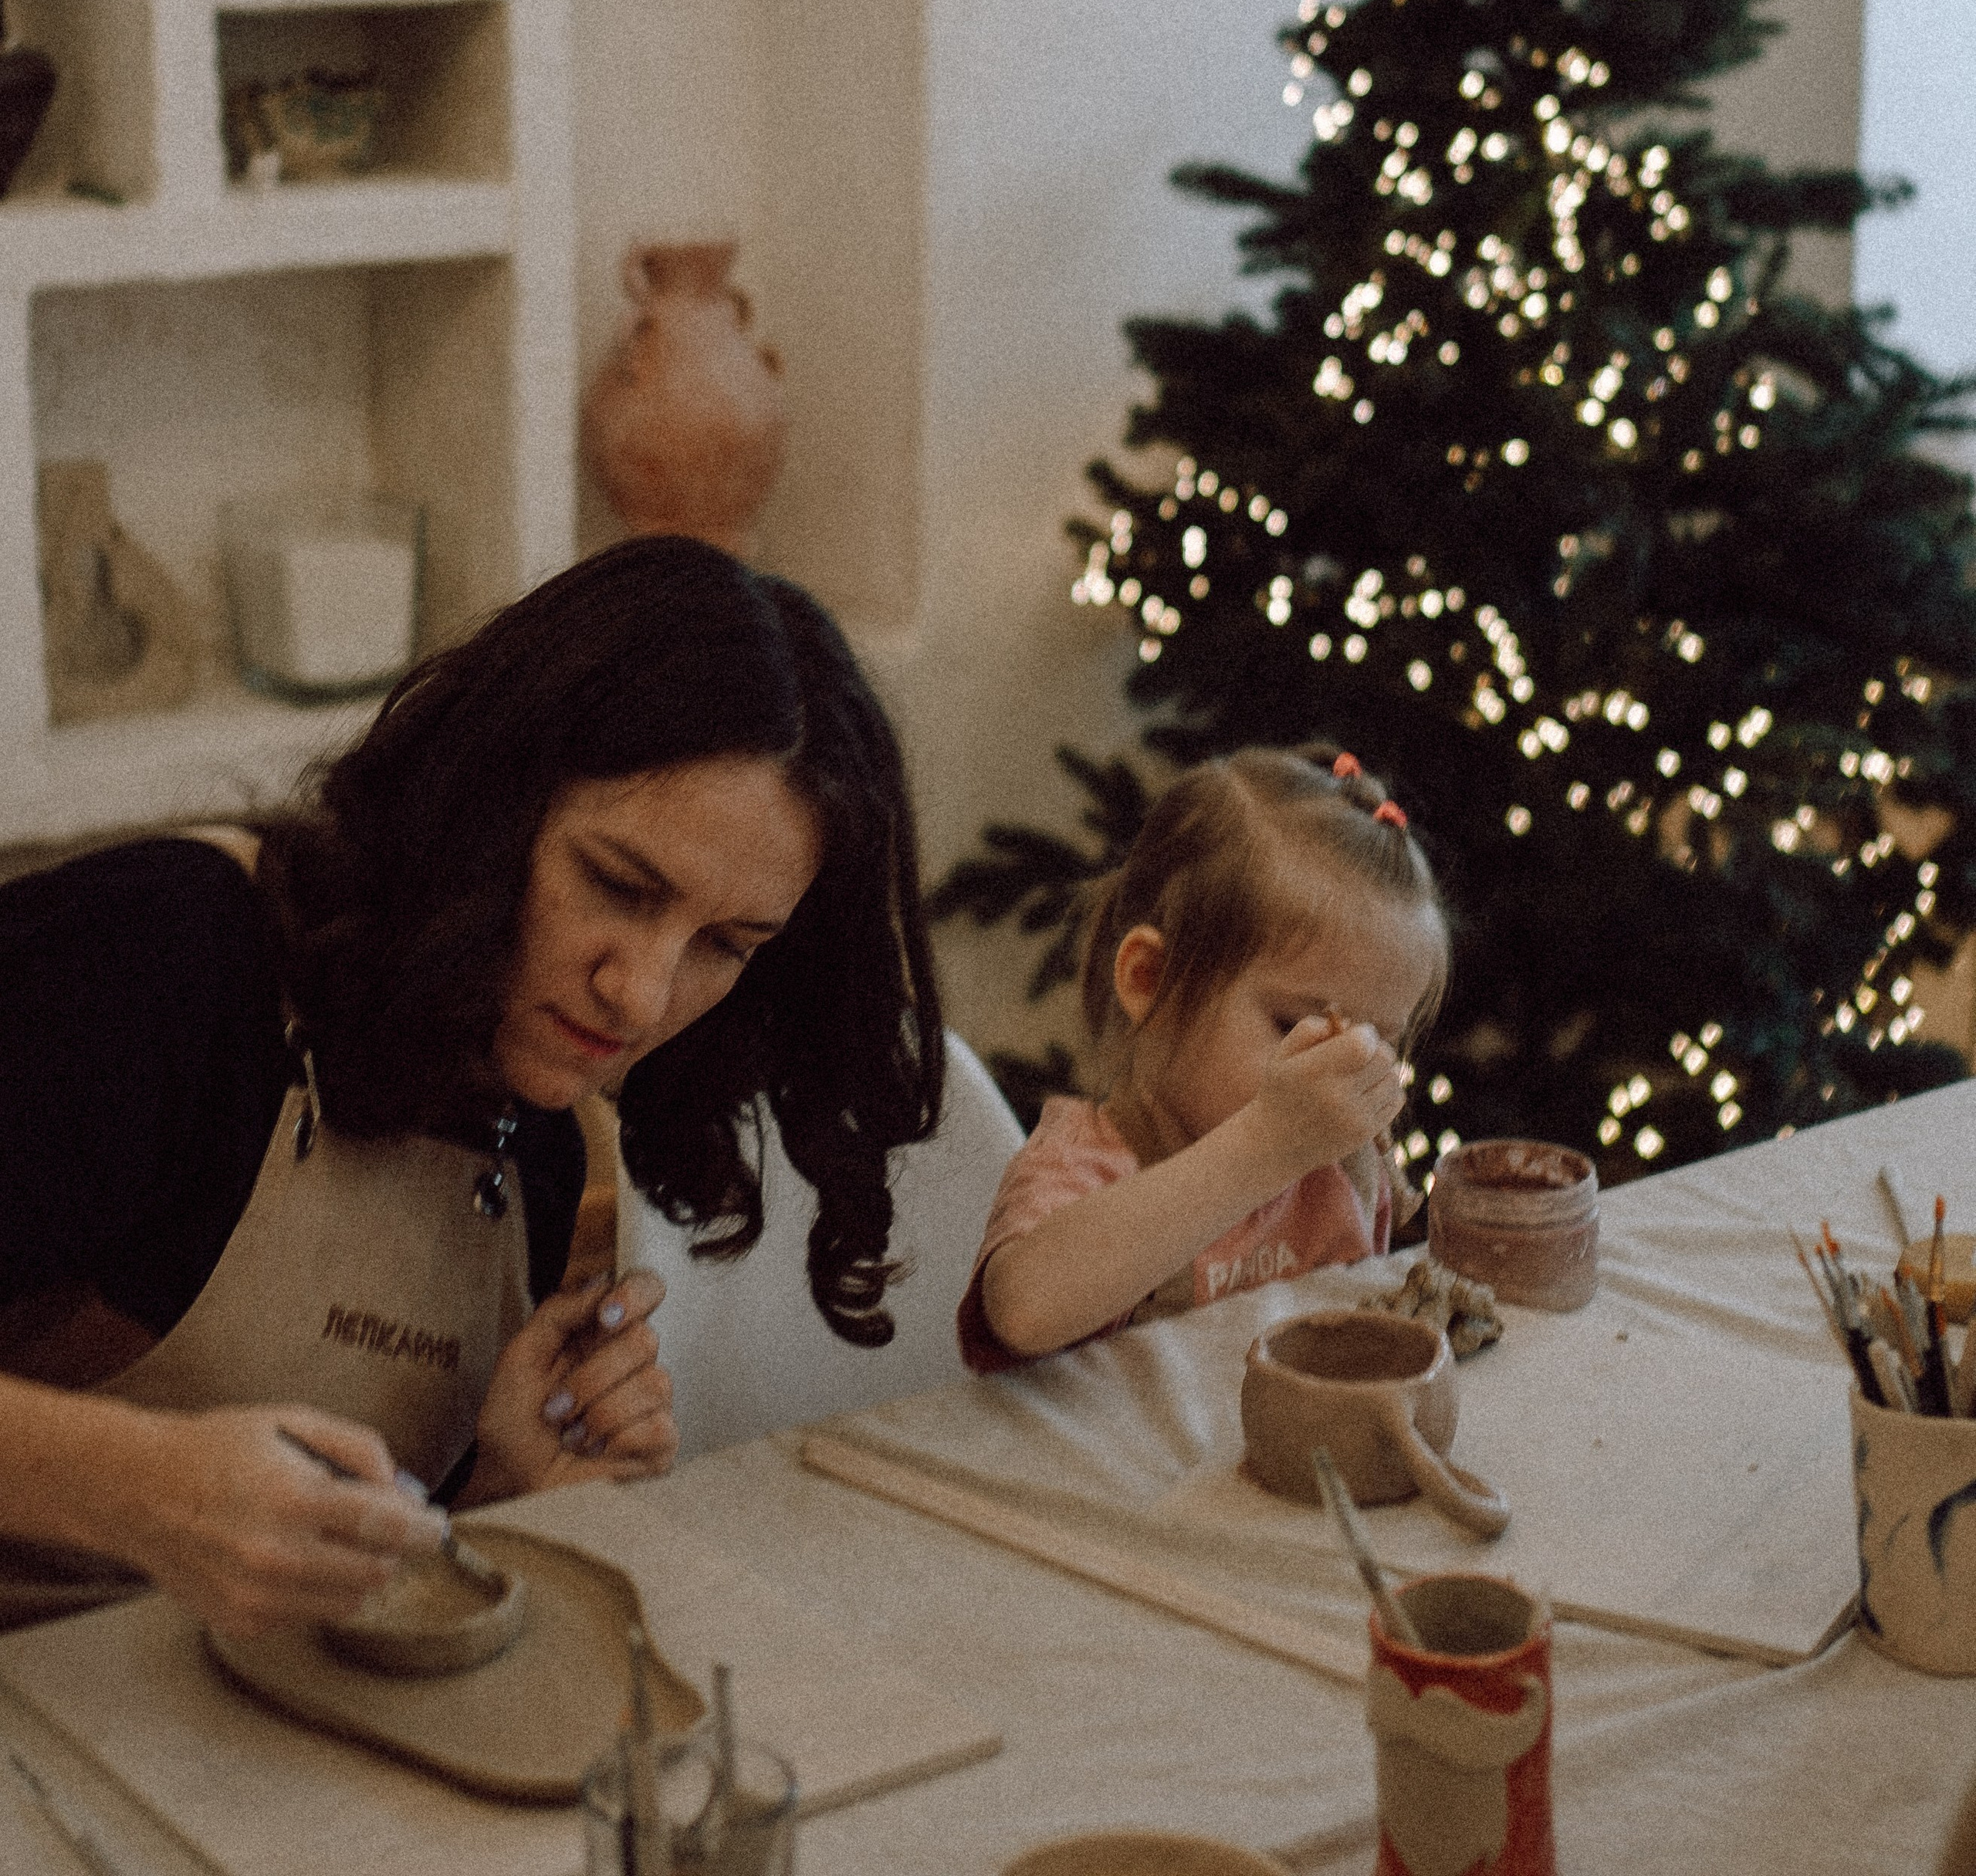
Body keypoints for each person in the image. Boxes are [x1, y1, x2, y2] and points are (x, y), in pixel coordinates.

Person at [0, 536, 942, 1636]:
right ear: (491, 797)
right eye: (619, 884)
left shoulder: (536, 1132)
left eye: (725, 945)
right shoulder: (162, 954)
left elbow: (333, 1580)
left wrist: (493, 1495)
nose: (640, 997)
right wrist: (149, 1488)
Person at [959, 747, 1446, 1371]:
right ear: (1150, 980)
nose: (1346, 1067)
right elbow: (1023, 1311)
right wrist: (1264, 1145)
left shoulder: (1343, 1173)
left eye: (1382, 1041)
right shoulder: (1086, 1163)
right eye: (1298, 1026)